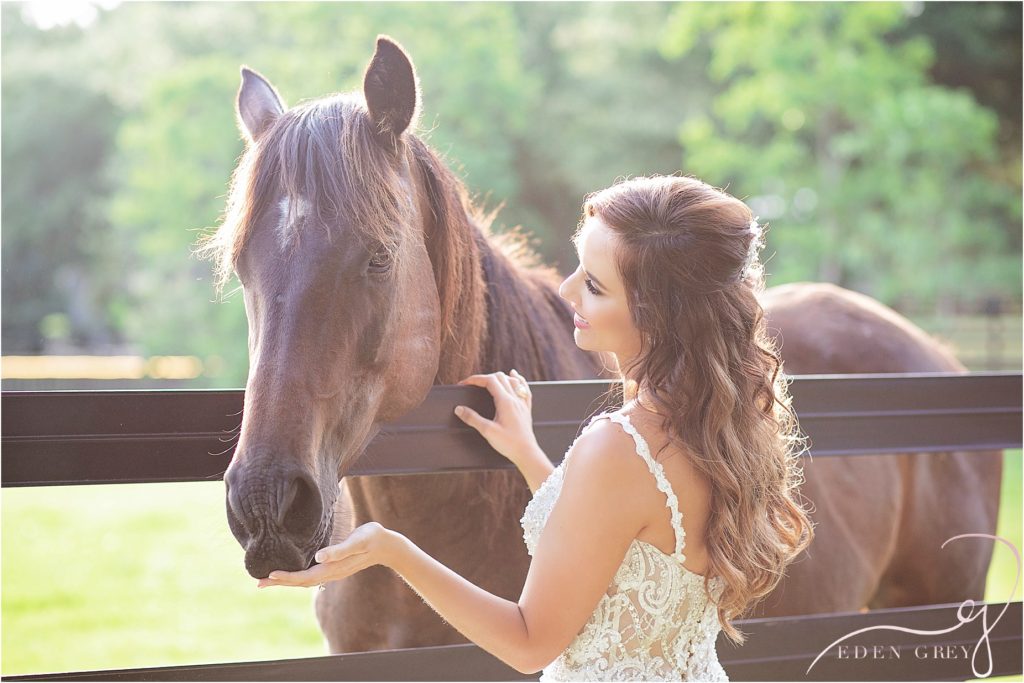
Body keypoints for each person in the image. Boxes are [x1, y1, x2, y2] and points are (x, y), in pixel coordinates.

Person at [258, 174, 815, 681]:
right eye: (577, 267)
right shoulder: (718, 426)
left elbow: (530, 644)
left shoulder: (618, 447)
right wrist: (528, 455)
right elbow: (620, 535)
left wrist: (392, 549)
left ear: (656, 314)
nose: (567, 291)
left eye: (595, 286)